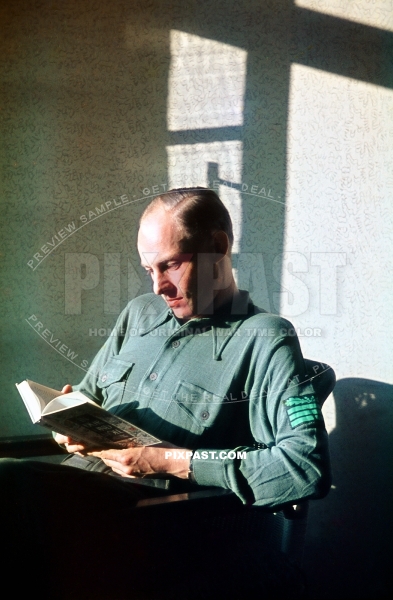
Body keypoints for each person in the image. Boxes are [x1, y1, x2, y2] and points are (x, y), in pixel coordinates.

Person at [1, 187, 331, 599]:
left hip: (150, 523)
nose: (158, 286)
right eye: (148, 270)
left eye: (170, 265)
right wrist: (65, 424)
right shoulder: (138, 315)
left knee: (10, 481)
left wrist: (172, 460)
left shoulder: (265, 339)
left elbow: (305, 468)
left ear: (217, 246)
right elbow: (89, 396)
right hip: (71, 503)